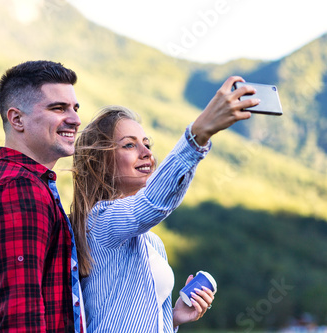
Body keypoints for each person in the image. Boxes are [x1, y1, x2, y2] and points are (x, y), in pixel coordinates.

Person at [70, 76, 259, 333]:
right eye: (129, 145)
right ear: (99, 163)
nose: (147, 152)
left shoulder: (153, 243)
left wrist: (173, 317)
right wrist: (198, 135)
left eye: (147, 144)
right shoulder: (100, 220)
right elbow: (151, 204)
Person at [0, 60, 85, 332]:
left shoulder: (14, 178)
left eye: (75, 108)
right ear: (17, 119)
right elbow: (22, 311)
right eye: (58, 108)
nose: (75, 119)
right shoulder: (19, 186)